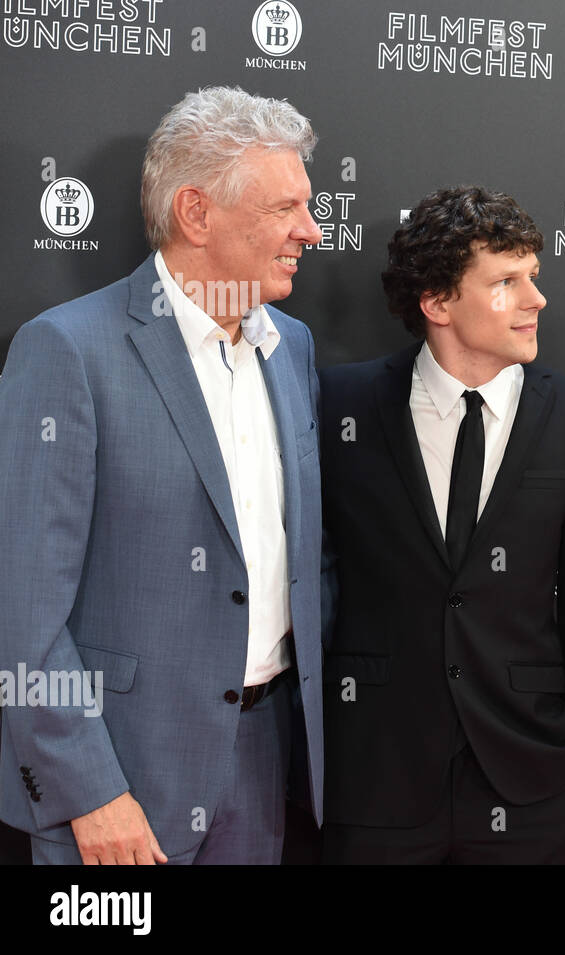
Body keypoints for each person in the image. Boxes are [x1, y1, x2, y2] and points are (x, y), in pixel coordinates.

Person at [0, 86, 327, 864]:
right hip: (120, 780)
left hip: (260, 767)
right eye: (285, 209)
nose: (310, 232)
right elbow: (22, 611)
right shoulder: (69, 352)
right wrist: (88, 791)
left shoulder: (295, 346)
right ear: (197, 213)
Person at [318, 186, 565, 864]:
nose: (535, 299)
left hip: (532, 777)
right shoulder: (340, 404)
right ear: (438, 303)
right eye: (506, 281)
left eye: (532, 277)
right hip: (374, 779)